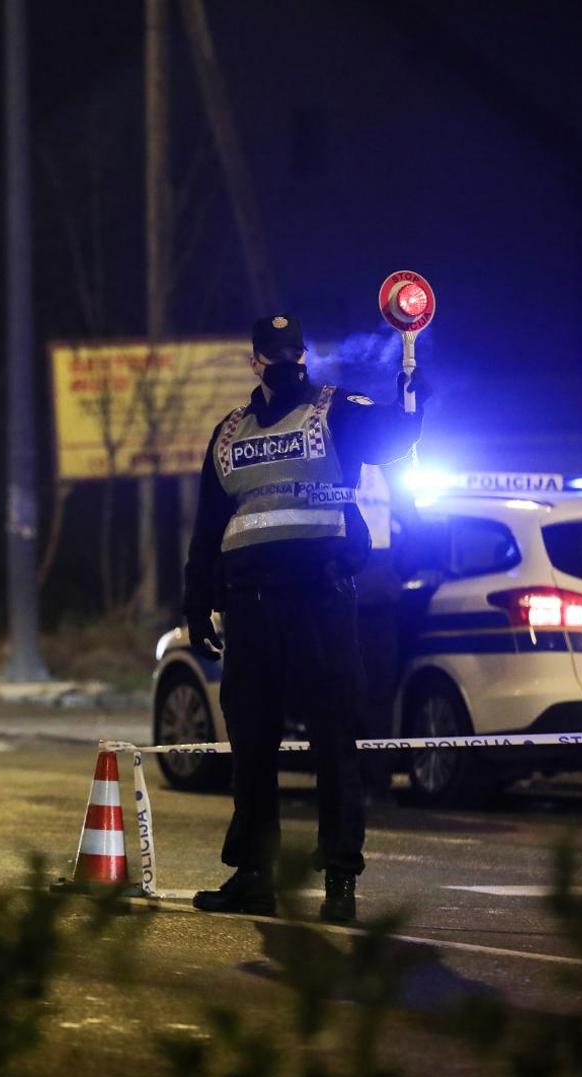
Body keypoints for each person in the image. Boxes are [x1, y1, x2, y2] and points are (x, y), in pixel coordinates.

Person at [183, 313, 428, 923]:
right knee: (252, 743)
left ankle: (340, 880)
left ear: (304, 356)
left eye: (294, 351)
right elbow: (208, 527)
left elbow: (397, 436)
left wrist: (413, 372)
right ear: (255, 360)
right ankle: (253, 874)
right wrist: (196, 603)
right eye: (274, 352)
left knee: (334, 739)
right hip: (251, 602)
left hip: (321, 594)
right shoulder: (229, 431)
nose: (286, 361)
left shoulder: (336, 408)